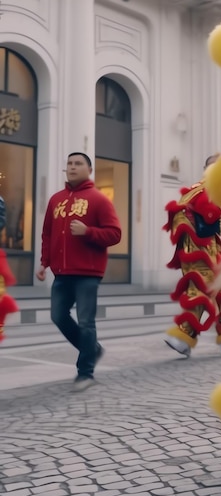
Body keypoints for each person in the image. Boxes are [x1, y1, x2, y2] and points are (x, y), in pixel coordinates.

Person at [36, 153, 121, 392]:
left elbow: (115, 234)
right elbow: (47, 235)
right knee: (58, 316)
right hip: (61, 273)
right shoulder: (56, 200)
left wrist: (88, 232)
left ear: (89, 169)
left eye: (78, 164)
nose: (72, 167)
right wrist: (44, 263)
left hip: (88, 273)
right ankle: (92, 349)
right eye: (69, 164)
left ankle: (85, 372)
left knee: (86, 322)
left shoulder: (99, 200)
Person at [163, 154, 221, 358]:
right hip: (198, 248)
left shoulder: (200, 188)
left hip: (206, 246)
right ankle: (182, 336)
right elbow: (211, 213)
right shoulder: (207, 187)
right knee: (204, 290)